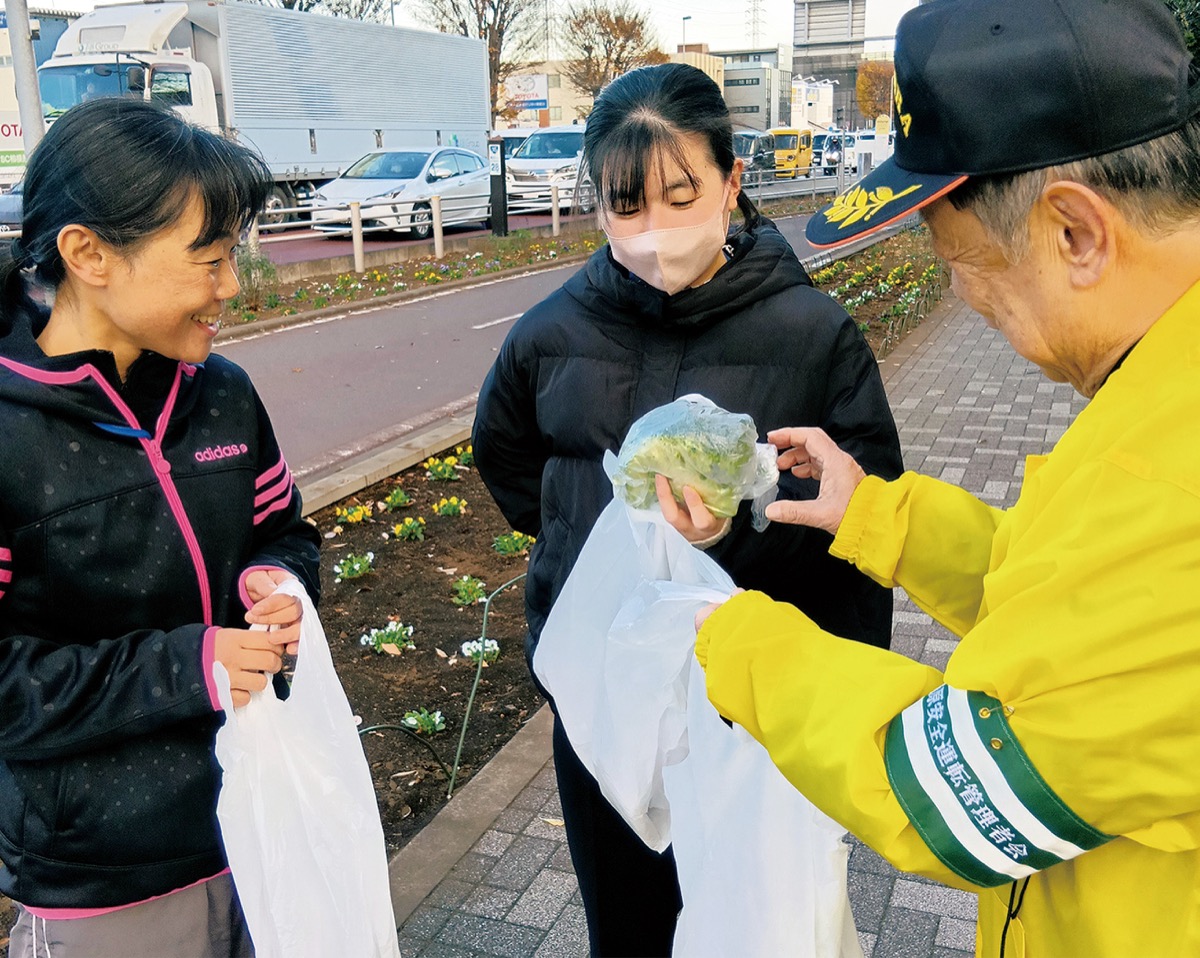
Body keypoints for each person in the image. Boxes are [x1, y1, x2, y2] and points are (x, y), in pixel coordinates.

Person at [690, 1, 1200, 955]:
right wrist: (881, 516)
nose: (964, 297)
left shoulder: (1175, 482)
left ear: (1077, 234)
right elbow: (1071, 607)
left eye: (960, 260)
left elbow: (951, 798)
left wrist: (729, 640)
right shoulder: (1163, 397)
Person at [472, 62, 904, 956]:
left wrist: (733, 536)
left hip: (753, 711)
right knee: (625, 930)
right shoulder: (552, 334)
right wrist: (586, 549)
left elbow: (868, 511)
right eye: (627, 206)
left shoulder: (812, 335)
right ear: (598, 206)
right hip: (610, 699)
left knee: (753, 925)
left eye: (680, 196)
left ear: (731, 180)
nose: (655, 231)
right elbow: (509, 461)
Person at [0, 98, 321, 957]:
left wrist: (280, 585)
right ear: (88, 253)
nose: (230, 288)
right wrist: (188, 666)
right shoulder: (8, 434)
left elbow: (284, 529)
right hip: (108, 878)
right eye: (208, 260)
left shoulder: (223, 393)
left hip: (262, 816)